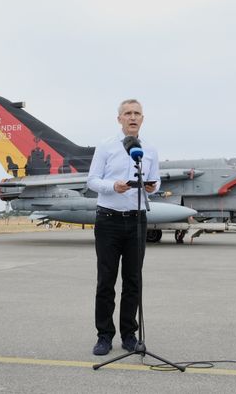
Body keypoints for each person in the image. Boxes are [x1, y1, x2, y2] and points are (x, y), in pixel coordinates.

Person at [86, 99, 160, 356]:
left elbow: (156, 179)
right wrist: (112, 186)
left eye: (137, 113)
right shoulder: (107, 146)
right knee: (106, 280)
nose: (132, 117)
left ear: (142, 118)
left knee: (133, 281)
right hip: (109, 219)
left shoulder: (148, 149)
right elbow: (92, 180)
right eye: (127, 113)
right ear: (119, 119)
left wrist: (153, 186)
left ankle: (129, 334)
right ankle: (104, 335)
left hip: (137, 219)